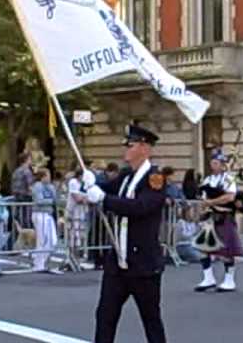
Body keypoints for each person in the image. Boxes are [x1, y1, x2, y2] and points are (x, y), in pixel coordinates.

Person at [83, 124, 167, 343]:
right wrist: (91, 181)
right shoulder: (126, 176)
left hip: (142, 263)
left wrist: (104, 199)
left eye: (130, 145)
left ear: (144, 148)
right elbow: (106, 188)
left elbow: (140, 207)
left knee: (151, 320)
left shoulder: (155, 178)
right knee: (105, 316)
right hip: (118, 263)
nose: (126, 149)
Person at [194, 150, 243, 293]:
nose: (212, 165)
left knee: (225, 251)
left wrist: (211, 201)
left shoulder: (228, 179)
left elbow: (230, 197)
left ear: (223, 165)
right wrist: (204, 206)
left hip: (223, 217)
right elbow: (202, 197)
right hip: (209, 217)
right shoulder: (208, 180)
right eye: (212, 162)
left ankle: (229, 280)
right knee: (204, 249)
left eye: (216, 163)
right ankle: (208, 278)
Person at [31, 168, 60, 273]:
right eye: (47, 175)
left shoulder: (50, 187)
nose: (49, 178)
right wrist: (51, 201)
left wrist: (54, 192)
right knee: (43, 239)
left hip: (48, 214)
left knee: (52, 240)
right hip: (40, 213)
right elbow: (39, 200)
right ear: (42, 176)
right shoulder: (37, 186)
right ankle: (39, 264)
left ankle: (42, 260)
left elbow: (56, 199)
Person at [65, 168, 88, 268]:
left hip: (82, 212)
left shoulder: (85, 184)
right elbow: (77, 198)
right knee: (73, 235)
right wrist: (85, 198)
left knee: (81, 235)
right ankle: (70, 258)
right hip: (72, 212)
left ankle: (77, 260)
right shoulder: (73, 182)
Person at [11, 152, 34, 228]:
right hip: (26, 197)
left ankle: (16, 233)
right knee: (26, 217)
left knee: (18, 217)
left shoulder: (16, 171)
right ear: (26, 160)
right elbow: (30, 186)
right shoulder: (27, 171)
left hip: (17, 197)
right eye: (30, 159)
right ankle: (26, 233)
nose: (31, 161)